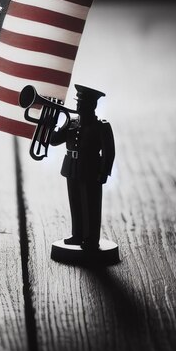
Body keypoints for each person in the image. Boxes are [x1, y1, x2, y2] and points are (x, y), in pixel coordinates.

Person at [50, 85, 115, 253]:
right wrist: (51, 123)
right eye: (78, 103)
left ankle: (91, 239)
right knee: (76, 204)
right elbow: (54, 141)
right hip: (71, 168)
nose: (78, 106)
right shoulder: (71, 122)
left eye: (83, 104)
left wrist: (104, 173)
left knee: (91, 206)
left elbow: (109, 152)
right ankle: (77, 235)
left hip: (91, 169)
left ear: (92, 106)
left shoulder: (101, 126)